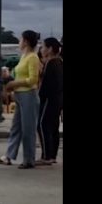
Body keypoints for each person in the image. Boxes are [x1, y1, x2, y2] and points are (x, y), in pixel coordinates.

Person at [0, 31, 42, 169]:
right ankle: (9, 155)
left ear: (26, 41)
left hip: (29, 95)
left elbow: (33, 79)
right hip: (20, 95)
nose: (19, 42)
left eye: (20, 39)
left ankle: (29, 159)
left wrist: (14, 83)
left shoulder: (33, 57)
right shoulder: (23, 57)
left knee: (28, 129)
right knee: (16, 127)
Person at [37, 37, 64, 165]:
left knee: (42, 124)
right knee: (53, 126)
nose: (41, 49)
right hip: (57, 99)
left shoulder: (51, 63)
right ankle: (52, 155)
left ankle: (46, 156)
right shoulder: (60, 62)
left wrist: (40, 96)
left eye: (43, 47)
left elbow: (46, 85)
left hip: (50, 99)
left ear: (50, 49)